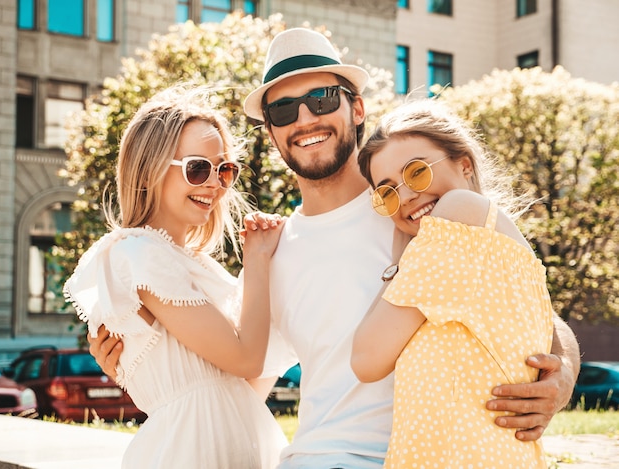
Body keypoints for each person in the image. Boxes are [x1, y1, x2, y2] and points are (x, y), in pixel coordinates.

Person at [90, 28, 580, 469]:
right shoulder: (272, 253)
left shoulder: (414, 206)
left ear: (357, 108)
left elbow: (532, 308)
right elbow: (239, 378)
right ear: (272, 132)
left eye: (323, 98)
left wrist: (561, 380)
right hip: (321, 459)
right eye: (283, 109)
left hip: (436, 454)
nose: (305, 118)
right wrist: (137, 355)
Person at [64, 83, 287, 468]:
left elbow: (245, 384)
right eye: (198, 168)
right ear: (148, 172)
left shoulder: (198, 266)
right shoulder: (137, 254)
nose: (215, 184)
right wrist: (259, 262)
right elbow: (247, 359)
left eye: (225, 169)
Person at [351, 98, 553, 468]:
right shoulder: (484, 246)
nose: (407, 196)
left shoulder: (460, 212)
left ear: (464, 164)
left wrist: (400, 262)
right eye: (387, 192)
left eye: (416, 172)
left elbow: (366, 360)